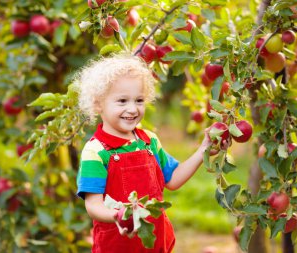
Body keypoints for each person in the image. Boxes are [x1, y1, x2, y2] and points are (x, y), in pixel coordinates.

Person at [75, 54, 215, 253]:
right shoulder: (96, 151)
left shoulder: (149, 141)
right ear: (98, 104)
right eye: (122, 101)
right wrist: (118, 215)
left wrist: (203, 150)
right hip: (118, 246)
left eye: (139, 100)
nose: (132, 109)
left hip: (156, 242)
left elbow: (173, 179)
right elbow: (93, 205)